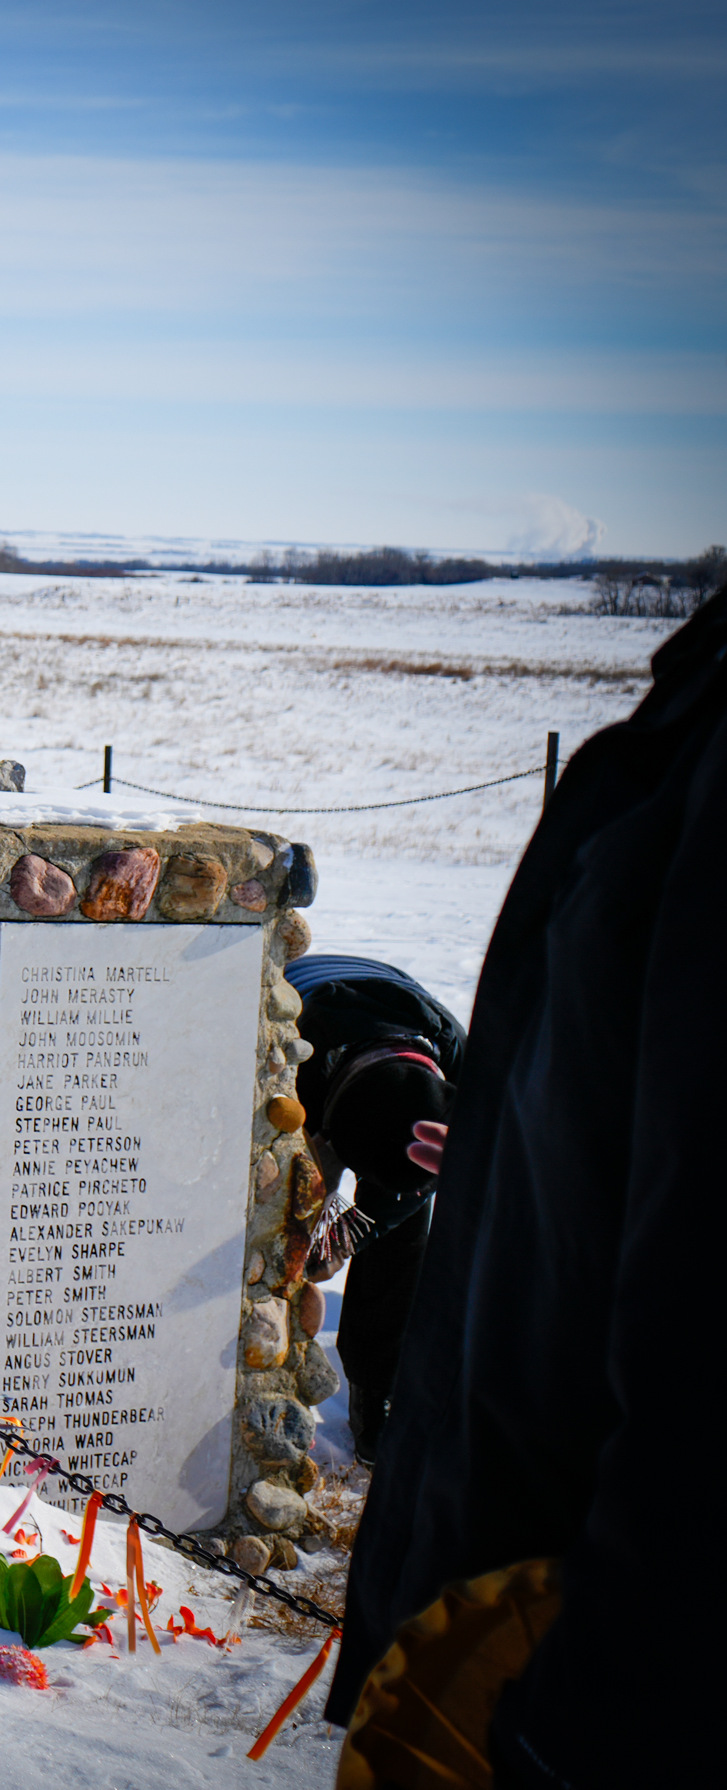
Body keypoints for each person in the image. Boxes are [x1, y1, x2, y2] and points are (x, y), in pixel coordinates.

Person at [327, 588, 726, 1783]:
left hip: (604, 1664)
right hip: (537, 1586)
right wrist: (517, 1146)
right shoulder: (696, 711)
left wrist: (576, 1716)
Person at [284, 954, 465, 1463]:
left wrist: (350, 1236)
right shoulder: (290, 1052)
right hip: (316, 1034)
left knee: (403, 1238)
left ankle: (377, 1388)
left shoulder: (461, 1066)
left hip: (393, 1046)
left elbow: (436, 1174)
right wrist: (317, 1225)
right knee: (287, 1222)